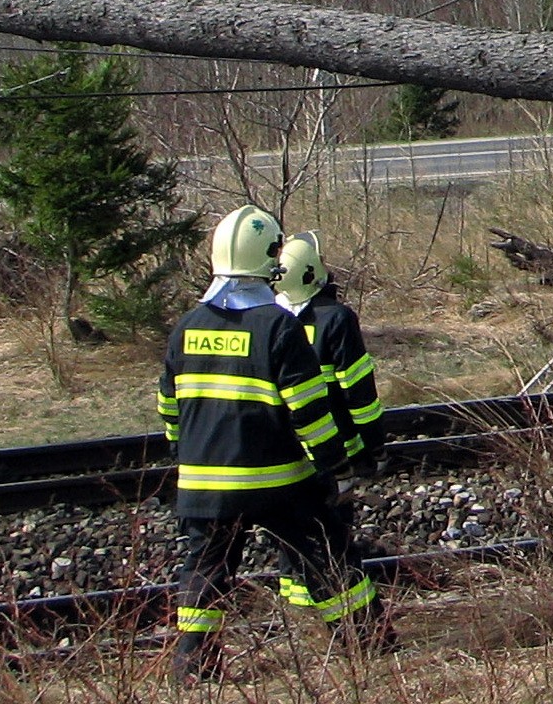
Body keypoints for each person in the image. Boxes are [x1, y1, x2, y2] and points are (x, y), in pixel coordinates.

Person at [156, 205, 382, 681]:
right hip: (278, 482)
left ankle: (192, 667)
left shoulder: (186, 328)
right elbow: (309, 409)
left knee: (205, 572)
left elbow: (170, 410)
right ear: (270, 259)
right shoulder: (277, 326)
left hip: (204, 484)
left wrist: (186, 459)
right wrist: (334, 465)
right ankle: (366, 641)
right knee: (327, 556)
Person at [272, 232, 387, 611]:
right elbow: (359, 393)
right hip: (336, 453)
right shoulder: (336, 319)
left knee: (294, 535)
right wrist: (374, 446)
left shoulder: (270, 321)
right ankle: (343, 610)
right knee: (333, 532)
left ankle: (298, 604)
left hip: (287, 454)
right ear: (312, 272)